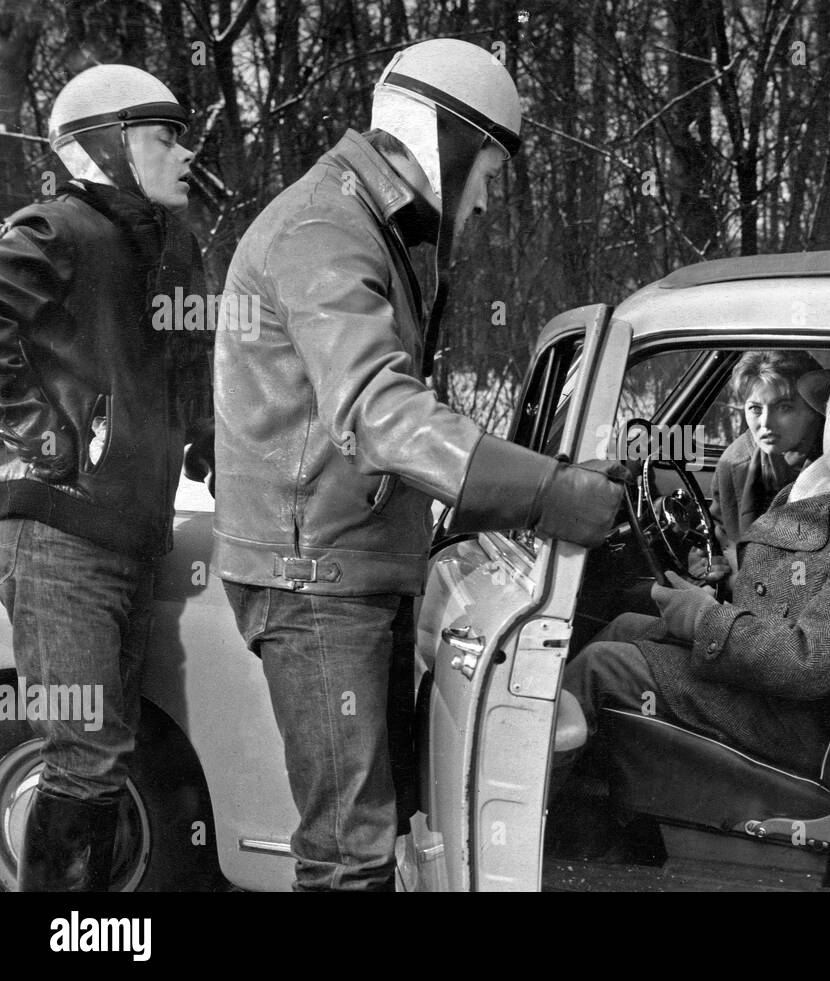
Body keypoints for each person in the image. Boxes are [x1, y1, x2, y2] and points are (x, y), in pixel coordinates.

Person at [212, 38, 625, 892]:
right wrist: (548, 493)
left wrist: (503, 489)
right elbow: (379, 411)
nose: (484, 204)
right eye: (489, 174)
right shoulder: (325, 228)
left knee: (379, 833)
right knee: (349, 850)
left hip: (342, 559)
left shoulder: (358, 220)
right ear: (449, 138)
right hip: (316, 574)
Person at [0, 64, 209, 890]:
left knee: (105, 751)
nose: (184, 153)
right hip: (60, 537)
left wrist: (200, 440)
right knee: (84, 754)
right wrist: (45, 435)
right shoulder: (55, 229)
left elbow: (163, 375)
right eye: (164, 136)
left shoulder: (155, 249)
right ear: (107, 146)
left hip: (127, 536)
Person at [557, 355, 830, 786]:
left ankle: (550, 818)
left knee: (600, 666)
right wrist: (723, 586)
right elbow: (788, 591)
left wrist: (703, 617)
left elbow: (810, 663)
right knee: (625, 624)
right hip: (764, 683)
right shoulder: (828, 485)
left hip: (792, 720)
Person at [709, 350, 822, 549]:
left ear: (812, 410)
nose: (766, 423)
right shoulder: (733, 461)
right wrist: (709, 562)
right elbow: (719, 535)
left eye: (784, 408)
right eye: (755, 409)